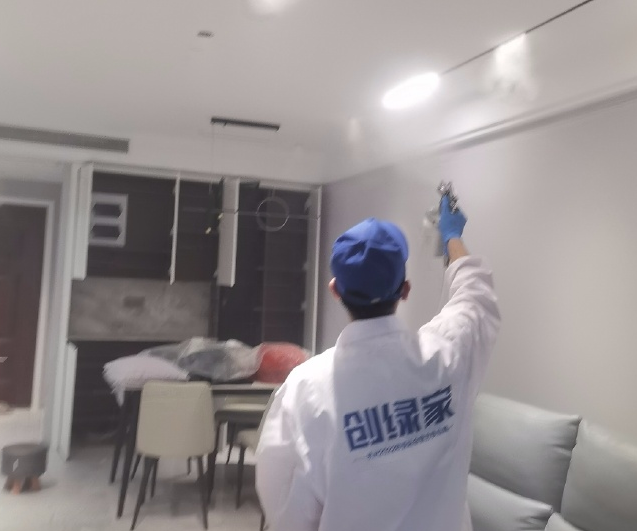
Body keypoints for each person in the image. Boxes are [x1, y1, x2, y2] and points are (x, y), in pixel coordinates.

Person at [255, 195, 500, 531]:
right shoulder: (448, 354)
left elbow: (284, 509)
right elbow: (475, 294)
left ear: (335, 290)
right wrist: (451, 236)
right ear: (405, 290)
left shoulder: (306, 388)